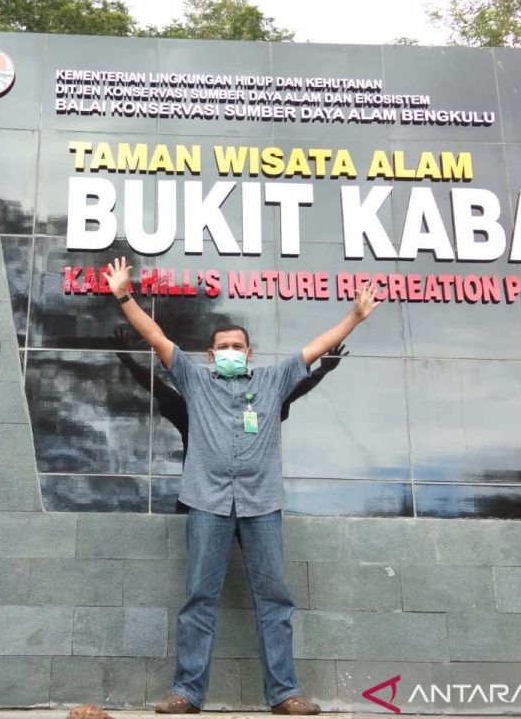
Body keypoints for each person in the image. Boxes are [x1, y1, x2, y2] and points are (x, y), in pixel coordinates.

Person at [103, 256, 381, 715]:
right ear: (211, 355)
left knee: (275, 600)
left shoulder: (272, 381)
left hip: (262, 505)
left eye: (238, 345)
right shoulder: (194, 380)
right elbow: (155, 336)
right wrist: (124, 296)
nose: (230, 350)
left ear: (248, 353)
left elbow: (316, 347)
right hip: (207, 504)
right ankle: (187, 694)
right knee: (198, 599)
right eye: (222, 346)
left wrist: (353, 316)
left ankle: (285, 694)